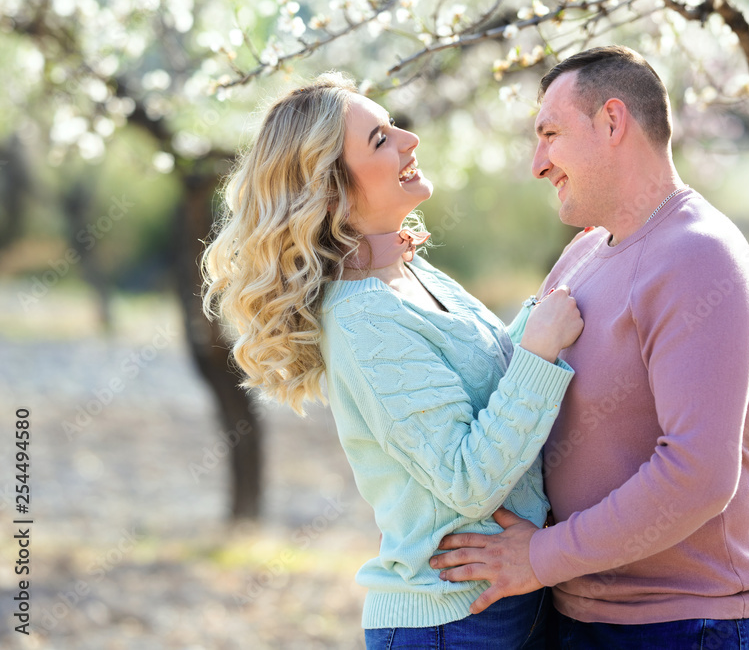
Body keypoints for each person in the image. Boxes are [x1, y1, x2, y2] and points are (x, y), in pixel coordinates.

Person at [201, 71, 585, 649]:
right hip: (450, 622)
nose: (410, 140)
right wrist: (538, 349)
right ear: (331, 191)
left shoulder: (409, 274)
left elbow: (481, 387)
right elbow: (467, 478)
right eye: (380, 139)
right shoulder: (364, 319)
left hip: (500, 606)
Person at [430, 45, 749, 649]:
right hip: (582, 614)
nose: (538, 163)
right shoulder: (582, 254)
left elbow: (698, 474)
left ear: (613, 122)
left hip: (686, 624)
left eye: (550, 134)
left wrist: (540, 556)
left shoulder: (698, 256)